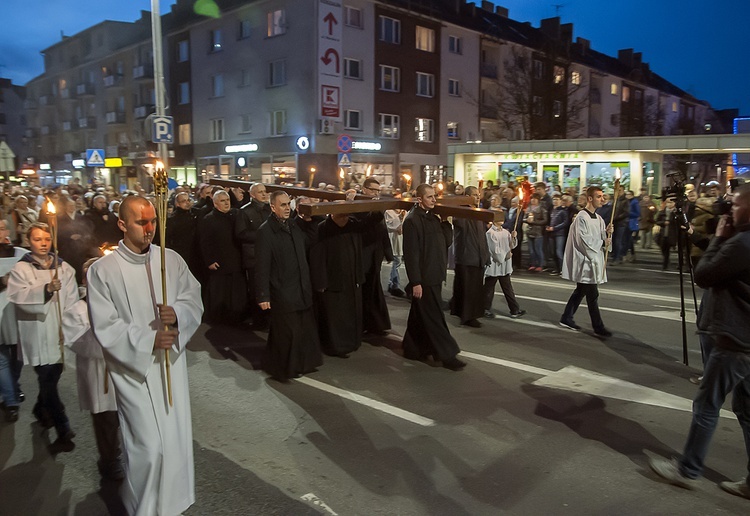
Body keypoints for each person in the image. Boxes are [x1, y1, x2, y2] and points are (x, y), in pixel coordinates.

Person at [87, 195, 203, 515]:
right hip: (133, 370)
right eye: (142, 222)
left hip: (169, 366)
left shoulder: (171, 260)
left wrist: (177, 314)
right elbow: (105, 326)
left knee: (175, 444)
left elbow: (193, 299)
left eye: (153, 221)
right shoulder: (103, 271)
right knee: (149, 449)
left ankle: (169, 505)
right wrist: (150, 338)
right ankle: (142, 507)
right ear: (122, 224)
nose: (150, 228)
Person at [648, 185, 750, 500]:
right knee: (747, 411)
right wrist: (702, 236)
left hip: (735, 340)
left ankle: (686, 470)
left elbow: (704, 274)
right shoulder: (742, 242)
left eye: (736, 204)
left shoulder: (742, 242)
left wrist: (720, 234)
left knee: (706, 404)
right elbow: (727, 265)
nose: (730, 208)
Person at [8, 223, 79, 452]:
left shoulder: (63, 267)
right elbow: (18, 296)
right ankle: (63, 427)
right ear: (29, 241)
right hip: (37, 331)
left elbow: (71, 297)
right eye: (37, 239)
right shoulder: (22, 268)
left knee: (51, 377)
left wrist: (71, 320)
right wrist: (46, 289)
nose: (43, 243)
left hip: (58, 329)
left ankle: (40, 409)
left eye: (47, 238)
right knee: (48, 378)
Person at [63, 257, 124, 480]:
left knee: (126, 419)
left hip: (122, 371)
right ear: (83, 281)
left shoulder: (120, 306)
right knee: (106, 421)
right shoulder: (77, 310)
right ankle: (109, 460)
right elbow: (79, 343)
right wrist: (106, 334)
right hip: (99, 377)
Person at [255, 191, 322, 381]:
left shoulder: (294, 225)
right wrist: (263, 295)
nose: (286, 208)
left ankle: (302, 364)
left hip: (301, 286)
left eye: (288, 204)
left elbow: (310, 242)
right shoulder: (265, 232)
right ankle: (283, 367)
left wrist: (309, 221)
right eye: (282, 205)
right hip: (282, 289)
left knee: (302, 330)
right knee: (286, 332)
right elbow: (261, 266)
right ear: (273, 207)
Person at [309, 191, 383, 358]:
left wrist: (376, 206)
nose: (345, 218)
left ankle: (352, 342)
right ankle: (336, 346)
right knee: (335, 318)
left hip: (352, 280)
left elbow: (372, 221)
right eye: (342, 214)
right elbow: (317, 258)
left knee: (351, 315)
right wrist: (320, 282)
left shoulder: (352, 225)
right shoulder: (323, 229)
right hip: (332, 282)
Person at [402, 184, 465, 371]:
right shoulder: (412, 221)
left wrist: (446, 222)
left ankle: (412, 348)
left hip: (436, 275)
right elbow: (411, 254)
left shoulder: (433, 218)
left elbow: (446, 242)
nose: (434, 200)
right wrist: (416, 282)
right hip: (424, 279)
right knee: (434, 317)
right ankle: (447, 355)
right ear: (419, 199)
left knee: (420, 314)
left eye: (434, 196)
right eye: (429, 197)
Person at [559, 186, 612, 337]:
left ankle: (566, 317)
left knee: (581, 291)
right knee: (592, 294)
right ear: (590, 199)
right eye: (599, 196)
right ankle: (598, 326)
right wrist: (602, 242)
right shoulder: (582, 217)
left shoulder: (599, 218)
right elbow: (584, 240)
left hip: (594, 260)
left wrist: (607, 234)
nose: (602, 199)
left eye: (603, 197)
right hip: (586, 262)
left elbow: (601, 239)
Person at [199, 190, 246, 324]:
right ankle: (218, 318)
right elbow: (205, 242)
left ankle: (236, 317)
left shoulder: (235, 215)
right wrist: (209, 260)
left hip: (236, 260)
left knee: (236, 292)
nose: (226, 203)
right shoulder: (209, 219)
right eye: (222, 201)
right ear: (215, 203)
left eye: (227, 200)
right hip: (219, 262)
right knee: (220, 292)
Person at [451, 186, 490, 327]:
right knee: (468, 289)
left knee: (475, 289)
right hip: (467, 257)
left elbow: (482, 237)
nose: (477, 197)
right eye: (474, 195)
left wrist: (486, 255)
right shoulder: (461, 212)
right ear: (466, 196)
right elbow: (458, 223)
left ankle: (469, 312)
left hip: (478, 257)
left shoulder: (477, 212)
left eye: (478, 195)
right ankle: (467, 316)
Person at [235, 183, 272, 329]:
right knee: (256, 289)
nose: (264, 194)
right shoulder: (244, 212)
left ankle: (269, 319)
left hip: (269, 255)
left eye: (265, 191)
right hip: (253, 257)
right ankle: (259, 320)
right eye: (260, 192)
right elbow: (240, 233)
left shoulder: (269, 209)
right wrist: (261, 235)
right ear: (252, 194)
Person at [0, 219, 26, 422]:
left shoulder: (17, 252)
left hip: (15, 308)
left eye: (2, 227)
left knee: (17, 355)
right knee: (1, 358)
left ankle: (13, 386)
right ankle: (11, 401)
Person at [483, 212, 525, 319]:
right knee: (489, 289)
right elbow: (494, 250)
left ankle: (514, 309)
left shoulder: (505, 232)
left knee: (508, 288)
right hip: (495, 265)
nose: (501, 220)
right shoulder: (490, 233)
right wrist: (505, 256)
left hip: (504, 266)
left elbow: (512, 245)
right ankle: (484, 308)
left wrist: (513, 237)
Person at [546, 193, 569, 275]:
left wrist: (555, 228)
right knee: (552, 252)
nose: (555, 201)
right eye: (554, 199)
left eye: (557, 200)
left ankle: (563, 269)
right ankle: (557, 268)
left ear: (560, 201)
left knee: (559, 252)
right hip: (552, 233)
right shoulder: (552, 210)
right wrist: (548, 227)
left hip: (560, 234)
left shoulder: (563, 211)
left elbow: (565, 222)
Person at [385, 207, 406, 297]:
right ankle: (394, 285)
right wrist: (397, 226)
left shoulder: (404, 212)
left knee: (397, 262)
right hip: (392, 240)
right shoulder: (388, 212)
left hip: (400, 241)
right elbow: (388, 225)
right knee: (395, 262)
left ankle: (392, 284)